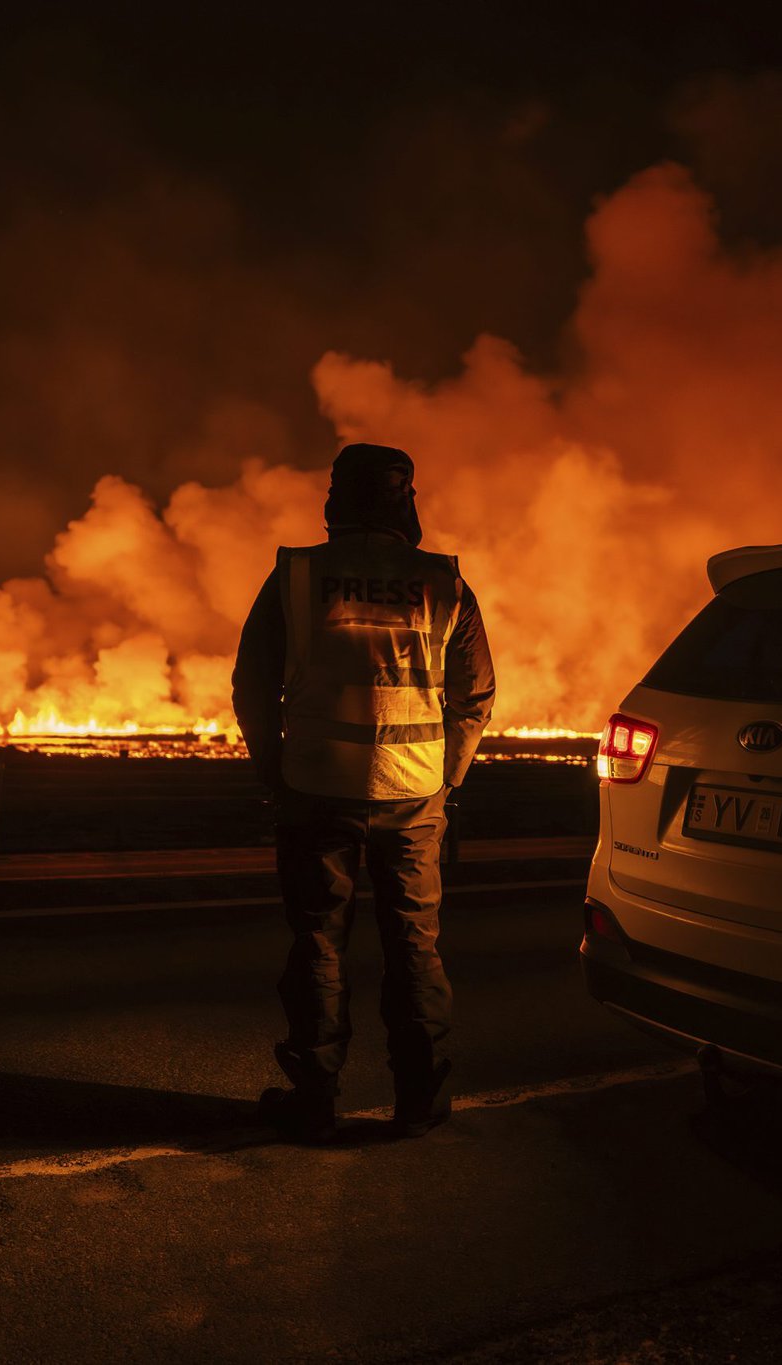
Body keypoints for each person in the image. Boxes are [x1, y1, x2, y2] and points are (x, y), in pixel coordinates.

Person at [232, 443, 495, 1142]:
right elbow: (477, 695)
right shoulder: (443, 583)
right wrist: (448, 776)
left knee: (318, 942)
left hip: (316, 790)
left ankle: (313, 1096)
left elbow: (251, 683)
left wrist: (273, 768)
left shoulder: (297, 575)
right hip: (414, 798)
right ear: (406, 500)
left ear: (336, 499)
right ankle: (421, 1100)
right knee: (414, 946)